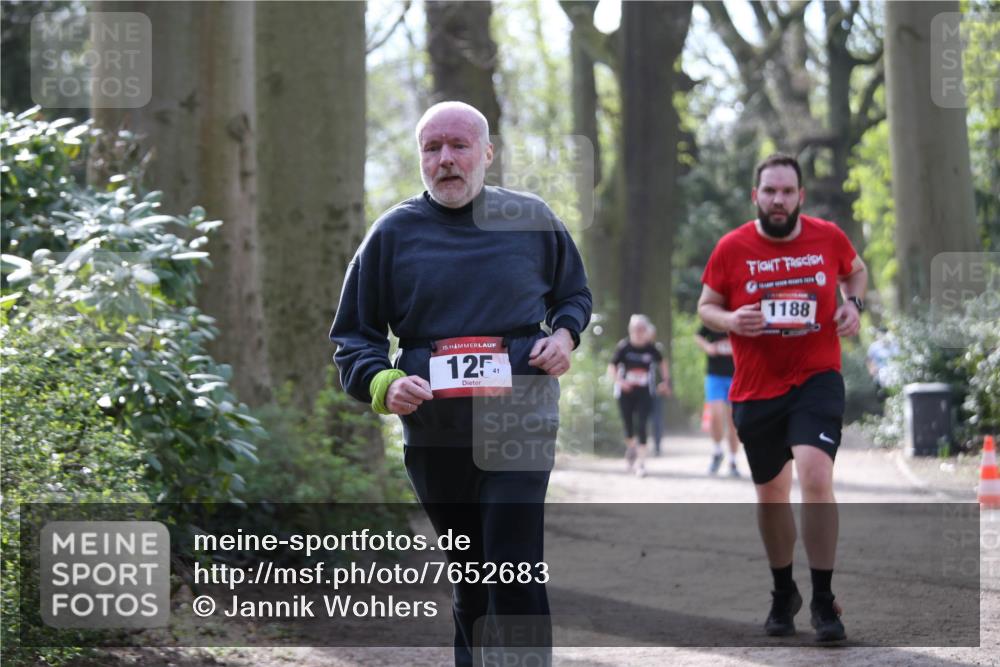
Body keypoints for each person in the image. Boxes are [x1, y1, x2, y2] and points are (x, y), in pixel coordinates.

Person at [329, 101, 592, 667]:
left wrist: (566, 336)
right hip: (436, 434)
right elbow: (355, 337)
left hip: (520, 421)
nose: (445, 159)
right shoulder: (393, 234)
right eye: (432, 148)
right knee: (473, 582)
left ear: (488, 154)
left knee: (514, 568)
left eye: (459, 145)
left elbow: (573, 295)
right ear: (420, 158)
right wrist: (383, 383)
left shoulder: (532, 219)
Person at [697, 153, 867, 642]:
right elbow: (707, 306)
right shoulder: (732, 247)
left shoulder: (827, 237)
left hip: (816, 377)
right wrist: (730, 321)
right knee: (771, 494)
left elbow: (856, 272)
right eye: (769, 191)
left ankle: (822, 599)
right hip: (755, 387)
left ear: (800, 197)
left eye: (787, 192)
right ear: (756, 195)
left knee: (815, 474)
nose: (778, 200)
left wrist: (853, 305)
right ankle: (782, 591)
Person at [607, 314, 671, 477]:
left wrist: (665, 381)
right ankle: (631, 448)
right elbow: (612, 367)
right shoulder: (624, 347)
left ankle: (641, 463)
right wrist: (620, 381)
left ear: (646, 330)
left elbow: (663, 363)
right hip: (625, 392)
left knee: (642, 425)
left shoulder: (652, 348)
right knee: (628, 425)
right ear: (630, 330)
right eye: (635, 329)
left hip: (645, 392)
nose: (639, 332)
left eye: (642, 329)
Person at [693, 325, 741, 477]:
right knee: (715, 416)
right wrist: (707, 347)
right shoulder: (714, 315)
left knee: (733, 422)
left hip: (737, 376)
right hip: (715, 376)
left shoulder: (741, 315)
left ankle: (733, 461)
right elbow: (697, 336)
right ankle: (717, 451)